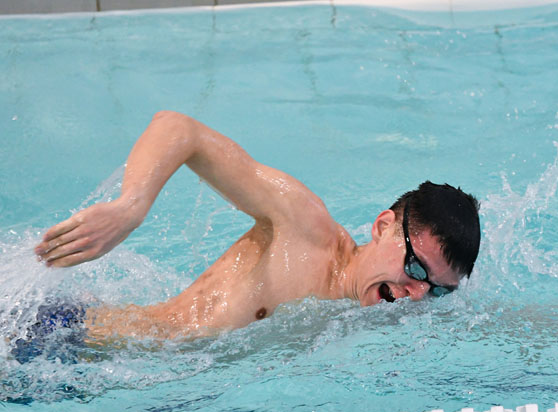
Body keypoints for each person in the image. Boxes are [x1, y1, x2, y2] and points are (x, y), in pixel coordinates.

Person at [28, 111, 481, 347]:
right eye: (417, 271)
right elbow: (179, 129)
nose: (418, 296)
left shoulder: (358, 320)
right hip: (66, 337)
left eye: (437, 291)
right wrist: (130, 207)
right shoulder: (304, 227)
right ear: (384, 227)